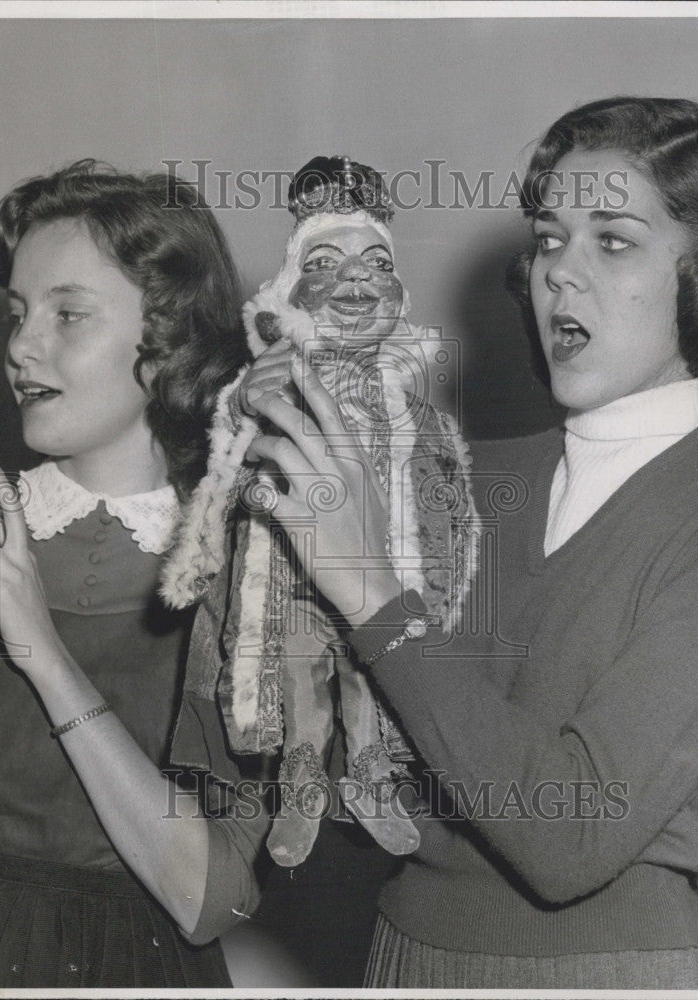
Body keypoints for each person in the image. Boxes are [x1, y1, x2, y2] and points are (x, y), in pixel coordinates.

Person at [235, 97, 698, 989]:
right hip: (401, 953)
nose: (561, 273)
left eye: (615, 240)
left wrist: (368, 593)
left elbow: (573, 832)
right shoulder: (465, 477)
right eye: (550, 238)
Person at [0, 161, 268, 988]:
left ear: (168, 337)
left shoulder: (247, 580)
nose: (23, 346)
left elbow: (212, 898)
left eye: (69, 314)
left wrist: (44, 655)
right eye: (19, 313)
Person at [161, 155, 478, 869]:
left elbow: (438, 485)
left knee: (373, 672)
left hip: (378, 570)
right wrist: (248, 405)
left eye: (374, 261)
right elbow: (229, 460)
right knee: (302, 664)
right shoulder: (278, 375)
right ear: (294, 287)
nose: (355, 280)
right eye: (328, 262)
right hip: (293, 567)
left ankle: (369, 775)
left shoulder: (406, 400)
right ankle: (302, 778)